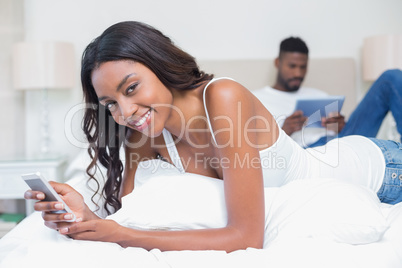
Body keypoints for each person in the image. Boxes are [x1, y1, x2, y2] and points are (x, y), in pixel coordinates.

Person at [24, 21, 402, 252]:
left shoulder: (222, 97)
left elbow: (245, 237)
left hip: (381, 171)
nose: (124, 112)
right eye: (110, 103)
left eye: (132, 87)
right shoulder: (143, 131)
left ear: (160, 65)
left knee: (392, 82)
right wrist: (86, 216)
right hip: (354, 160)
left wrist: (119, 235)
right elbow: (132, 219)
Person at [252, 36, 402, 147]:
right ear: (277, 63)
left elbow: (346, 133)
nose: (298, 73)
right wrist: (283, 131)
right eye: (292, 66)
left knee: (391, 77)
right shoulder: (257, 99)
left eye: (303, 67)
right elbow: (252, 147)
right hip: (307, 152)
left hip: (342, 142)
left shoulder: (318, 95)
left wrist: (341, 126)